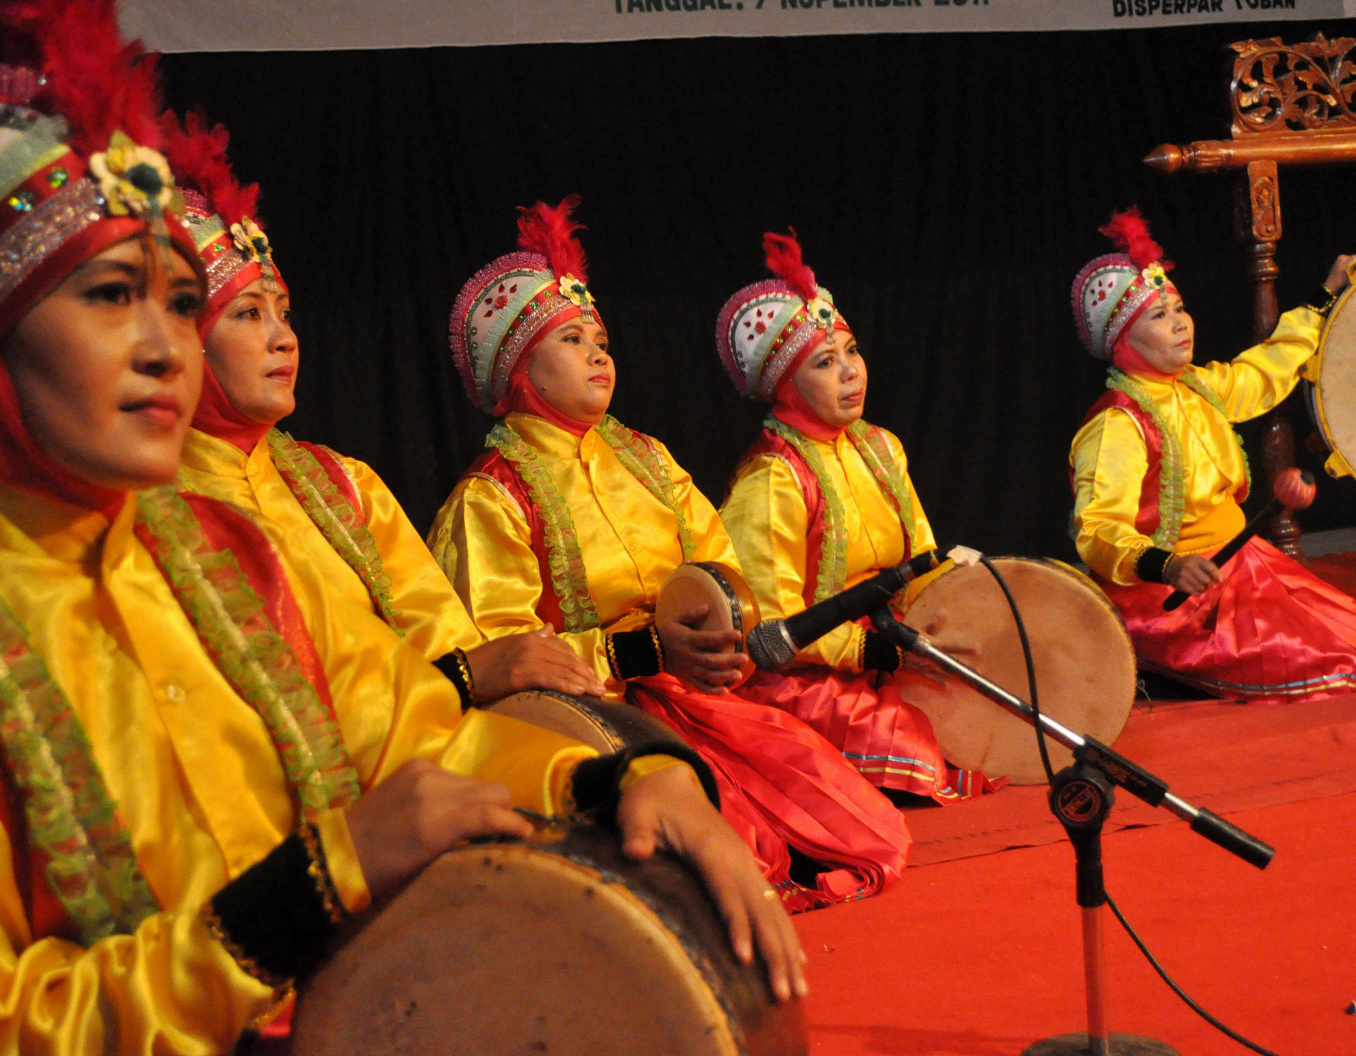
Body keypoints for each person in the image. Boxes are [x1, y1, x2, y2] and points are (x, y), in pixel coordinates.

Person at [0, 15, 803, 1056]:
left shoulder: (231, 561)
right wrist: (314, 885)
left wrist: (626, 777)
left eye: (178, 304)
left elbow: (429, 740)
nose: (166, 348)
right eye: (114, 298)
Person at [428, 196, 913, 910]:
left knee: (855, 817)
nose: (599, 353)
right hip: (596, 717)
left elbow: (722, 565)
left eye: (600, 338)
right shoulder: (490, 498)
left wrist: (728, 634)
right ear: (518, 370)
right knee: (739, 839)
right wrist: (640, 655)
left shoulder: (646, 457)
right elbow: (509, 659)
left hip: (695, 692)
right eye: (571, 341)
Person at [159, 114, 602, 704]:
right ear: (184, 336)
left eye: (285, 314)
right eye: (248, 314)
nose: (284, 339)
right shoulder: (141, 504)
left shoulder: (344, 483)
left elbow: (445, 644)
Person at [716, 231, 996, 803]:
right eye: (824, 362)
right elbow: (774, 629)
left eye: (852, 351)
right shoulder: (772, 479)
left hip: (891, 647)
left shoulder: (881, 448)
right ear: (784, 385)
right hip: (808, 673)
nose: (850, 372)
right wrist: (875, 653)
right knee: (918, 750)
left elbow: (923, 559)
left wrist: (965, 607)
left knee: (998, 685)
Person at [1069, 207, 1356, 701]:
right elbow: (1096, 532)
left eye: (1179, 309)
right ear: (1123, 341)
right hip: (1176, 597)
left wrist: (1326, 296)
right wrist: (1170, 566)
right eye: (1159, 316)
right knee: (1335, 660)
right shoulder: (1118, 423)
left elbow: (1265, 369)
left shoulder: (1198, 387)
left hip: (1245, 567)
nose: (1180, 324)